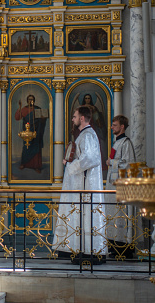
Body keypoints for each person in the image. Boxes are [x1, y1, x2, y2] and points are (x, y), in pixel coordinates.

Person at [52, 106, 107, 264]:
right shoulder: (83, 135)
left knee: (86, 216)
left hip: (85, 185)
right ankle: (82, 250)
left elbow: (90, 159)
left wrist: (70, 165)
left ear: (82, 118)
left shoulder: (88, 135)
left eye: (75, 116)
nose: (73, 119)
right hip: (80, 184)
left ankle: (89, 252)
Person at [105, 115, 136, 256]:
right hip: (112, 185)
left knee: (120, 215)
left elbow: (129, 164)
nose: (112, 127)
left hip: (121, 186)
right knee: (112, 214)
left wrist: (111, 162)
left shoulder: (126, 143)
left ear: (122, 127)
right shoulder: (116, 142)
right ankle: (112, 244)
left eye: (115, 125)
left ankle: (123, 247)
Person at [15, 95, 47, 173]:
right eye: (29, 99)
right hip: (27, 132)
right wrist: (19, 107)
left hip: (37, 132)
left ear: (34, 100)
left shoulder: (38, 109)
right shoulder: (24, 109)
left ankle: (36, 166)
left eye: (32, 99)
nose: (31, 101)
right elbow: (17, 117)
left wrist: (43, 118)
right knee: (26, 147)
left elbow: (43, 119)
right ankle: (24, 163)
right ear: (27, 100)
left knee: (36, 147)